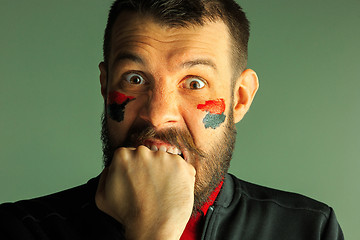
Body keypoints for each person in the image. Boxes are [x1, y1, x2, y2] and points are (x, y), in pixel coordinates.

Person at [0, 0, 344, 239]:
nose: (158, 115)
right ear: (106, 86)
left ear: (240, 98)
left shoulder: (308, 229)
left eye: (195, 83)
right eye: (135, 79)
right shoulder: (21, 228)